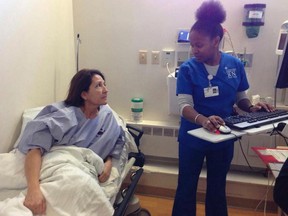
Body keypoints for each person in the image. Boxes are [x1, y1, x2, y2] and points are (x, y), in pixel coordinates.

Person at [172, 1, 274, 216]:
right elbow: (184, 106)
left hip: (223, 136)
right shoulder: (188, 69)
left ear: (216, 41)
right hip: (193, 137)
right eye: (192, 44)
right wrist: (203, 120)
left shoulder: (234, 65)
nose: (194, 50)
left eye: (198, 45)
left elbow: (241, 99)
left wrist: (254, 108)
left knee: (217, 188)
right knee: (186, 188)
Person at [17, 69, 125, 215]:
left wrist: (109, 162)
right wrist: (33, 190)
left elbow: (117, 138)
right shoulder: (65, 117)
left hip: (80, 171)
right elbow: (35, 148)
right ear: (84, 94)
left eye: (104, 84)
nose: (106, 90)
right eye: (99, 86)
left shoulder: (107, 116)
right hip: (55, 164)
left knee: (77, 187)